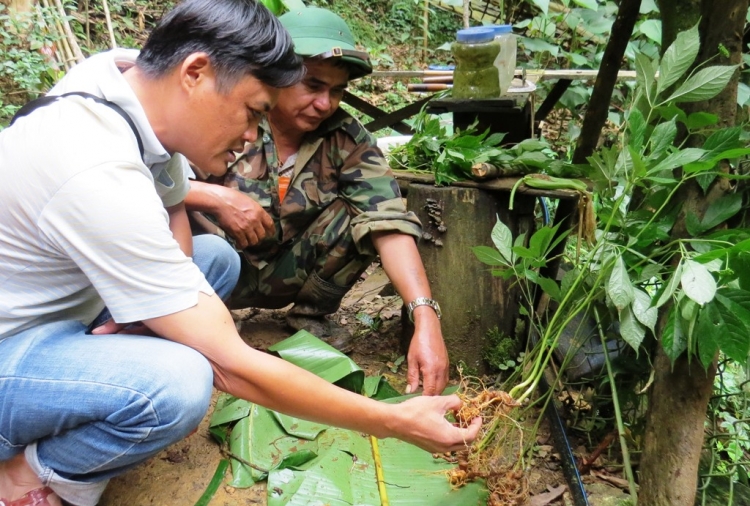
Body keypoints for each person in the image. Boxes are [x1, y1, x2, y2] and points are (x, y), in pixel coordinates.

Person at [0, 1, 481, 506]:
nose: (252, 134)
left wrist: (156, 308)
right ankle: (29, 474)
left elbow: (172, 205)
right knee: (176, 383)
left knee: (210, 260)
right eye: (253, 112)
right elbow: (229, 367)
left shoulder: (128, 87)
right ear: (196, 73)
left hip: (54, 310)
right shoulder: (93, 168)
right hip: (14, 344)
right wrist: (391, 421)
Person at [186, 6, 450, 397]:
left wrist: (425, 317)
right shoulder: (227, 114)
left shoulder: (347, 136)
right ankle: (196, 320)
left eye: (337, 90)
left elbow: (388, 220)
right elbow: (147, 183)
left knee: (363, 216)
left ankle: (310, 318)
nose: (325, 103)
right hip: (216, 268)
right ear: (277, 75)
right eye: (312, 85)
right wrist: (212, 195)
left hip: (290, 274)